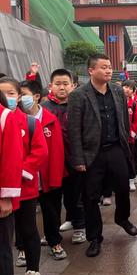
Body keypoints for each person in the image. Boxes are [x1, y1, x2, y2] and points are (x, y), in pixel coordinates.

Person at [67, 54, 137, 258]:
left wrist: (126, 146)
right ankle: (94, 238)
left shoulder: (117, 91)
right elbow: (73, 130)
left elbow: (124, 121)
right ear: (91, 70)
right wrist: (79, 159)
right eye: (103, 67)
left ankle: (122, 218)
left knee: (123, 188)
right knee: (90, 197)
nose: (108, 71)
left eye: (109, 67)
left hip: (115, 147)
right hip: (92, 152)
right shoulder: (79, 95)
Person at [0, 77, 48, 275]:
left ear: (19, 96)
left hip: (25, 188)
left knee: (28, 230)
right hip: (4, 189)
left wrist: (20, 171)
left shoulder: (29, 122)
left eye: (11, 93)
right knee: (7, 236)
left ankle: (33, 272)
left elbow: (39, 151)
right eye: (3, 93)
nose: (7, 97)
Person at [20, 80, 66, 260]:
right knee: (23, 216)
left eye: (23, 94)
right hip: (25, 178)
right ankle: (22, 248)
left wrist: (56, 178)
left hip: (47, 177)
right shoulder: (15, 120)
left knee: (52, 212)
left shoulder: (50, 120)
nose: (21, 99)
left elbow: (57, 153)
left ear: (37, 96)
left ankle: (54, 242)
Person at [42, 69, 86, 244]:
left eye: (65, 84)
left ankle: (79, 227)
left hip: (74, 159)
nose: (62, 87)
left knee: (75, 196)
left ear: (73, 86)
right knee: (51, 200)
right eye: (58, 84)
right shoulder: (44, 108)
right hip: (51, 162)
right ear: (50, 86)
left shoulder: (78, 106)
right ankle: (52, 232)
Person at [0, 93, 23, 275]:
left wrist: (6, 196)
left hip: (0, 196)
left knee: (2, 247)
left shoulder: (5, 117)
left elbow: (11, 158)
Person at [121, 80, 137, 191]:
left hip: (130, 138)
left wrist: (133, 132)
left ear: (133, 91)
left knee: (130, 158)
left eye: (130, 88)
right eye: (125, 86)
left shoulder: (134, 104)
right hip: (119, 137)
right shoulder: (117, 102)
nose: (127, 89)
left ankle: (131, 180)